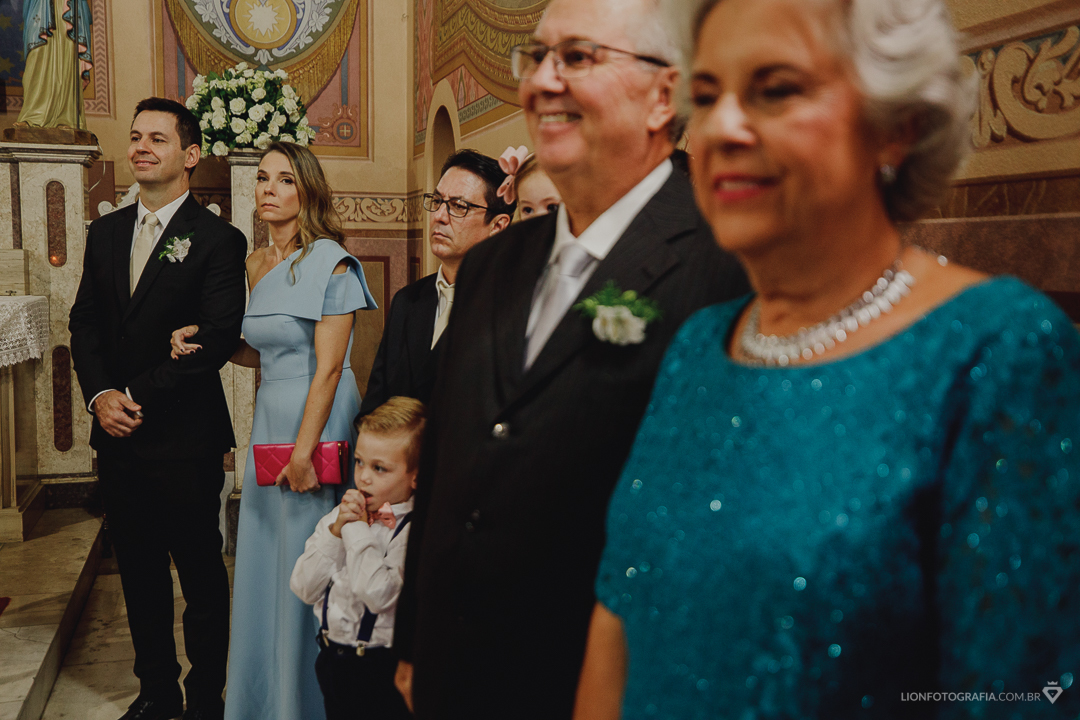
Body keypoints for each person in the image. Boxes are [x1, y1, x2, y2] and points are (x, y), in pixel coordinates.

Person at [578, 0, 1080, 718]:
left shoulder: (998, 350)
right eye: (708, 96)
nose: (721, 129)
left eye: (776, 90)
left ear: (896, 126)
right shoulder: (700, 345)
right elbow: (620, 615)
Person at [392, 0, 749, 716]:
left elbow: (719, 521)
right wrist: (413, 640)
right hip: (455, 669)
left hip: (603, 680)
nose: (543, 80)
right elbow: (450, 462)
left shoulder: (726, 266)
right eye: (537, 57)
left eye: (577, 58)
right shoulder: (493, 264)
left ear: (662, 95)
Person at [172, 141, 377, 720]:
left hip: (319, 419)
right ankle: (266, 702)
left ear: (306, 191)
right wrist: (204, 339)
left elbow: (329, 368)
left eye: (284, 179)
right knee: (267, 562)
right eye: (263, 177)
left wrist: (305, 453)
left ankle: (310, 702)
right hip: (270, 419)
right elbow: (259, 351)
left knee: (315, 558)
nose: (269, 188)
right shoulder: (256, 263)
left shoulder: (334, 262)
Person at [69, 97, 246, 720]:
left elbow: (215, 339)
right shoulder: (105, 232)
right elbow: (85, 322)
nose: (141, 147)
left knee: (200, 576)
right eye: (136, 137)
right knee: (138, 574)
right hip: (116, 435)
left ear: (190, 155)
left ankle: (205, 698)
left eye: (158, 139)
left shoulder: (218, 239)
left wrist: (135, 394)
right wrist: (100, 397)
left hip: (184, 439)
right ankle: (156, 693)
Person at [290, 397, 426, 720]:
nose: (363, 477)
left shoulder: (414, 531)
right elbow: (304, 587)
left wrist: (354, 530)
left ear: (416, 476)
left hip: (379, 668)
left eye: (379, 468)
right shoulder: (339, 519)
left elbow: (378, 593)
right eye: (360, 462)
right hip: (331, 659)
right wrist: (336, 533)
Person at [356, 150, 513, 418]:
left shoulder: (512, 306)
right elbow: (374, 406)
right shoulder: (408, 300)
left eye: (459, 206)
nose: (439, 216)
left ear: (497, 226)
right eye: (438, 201)